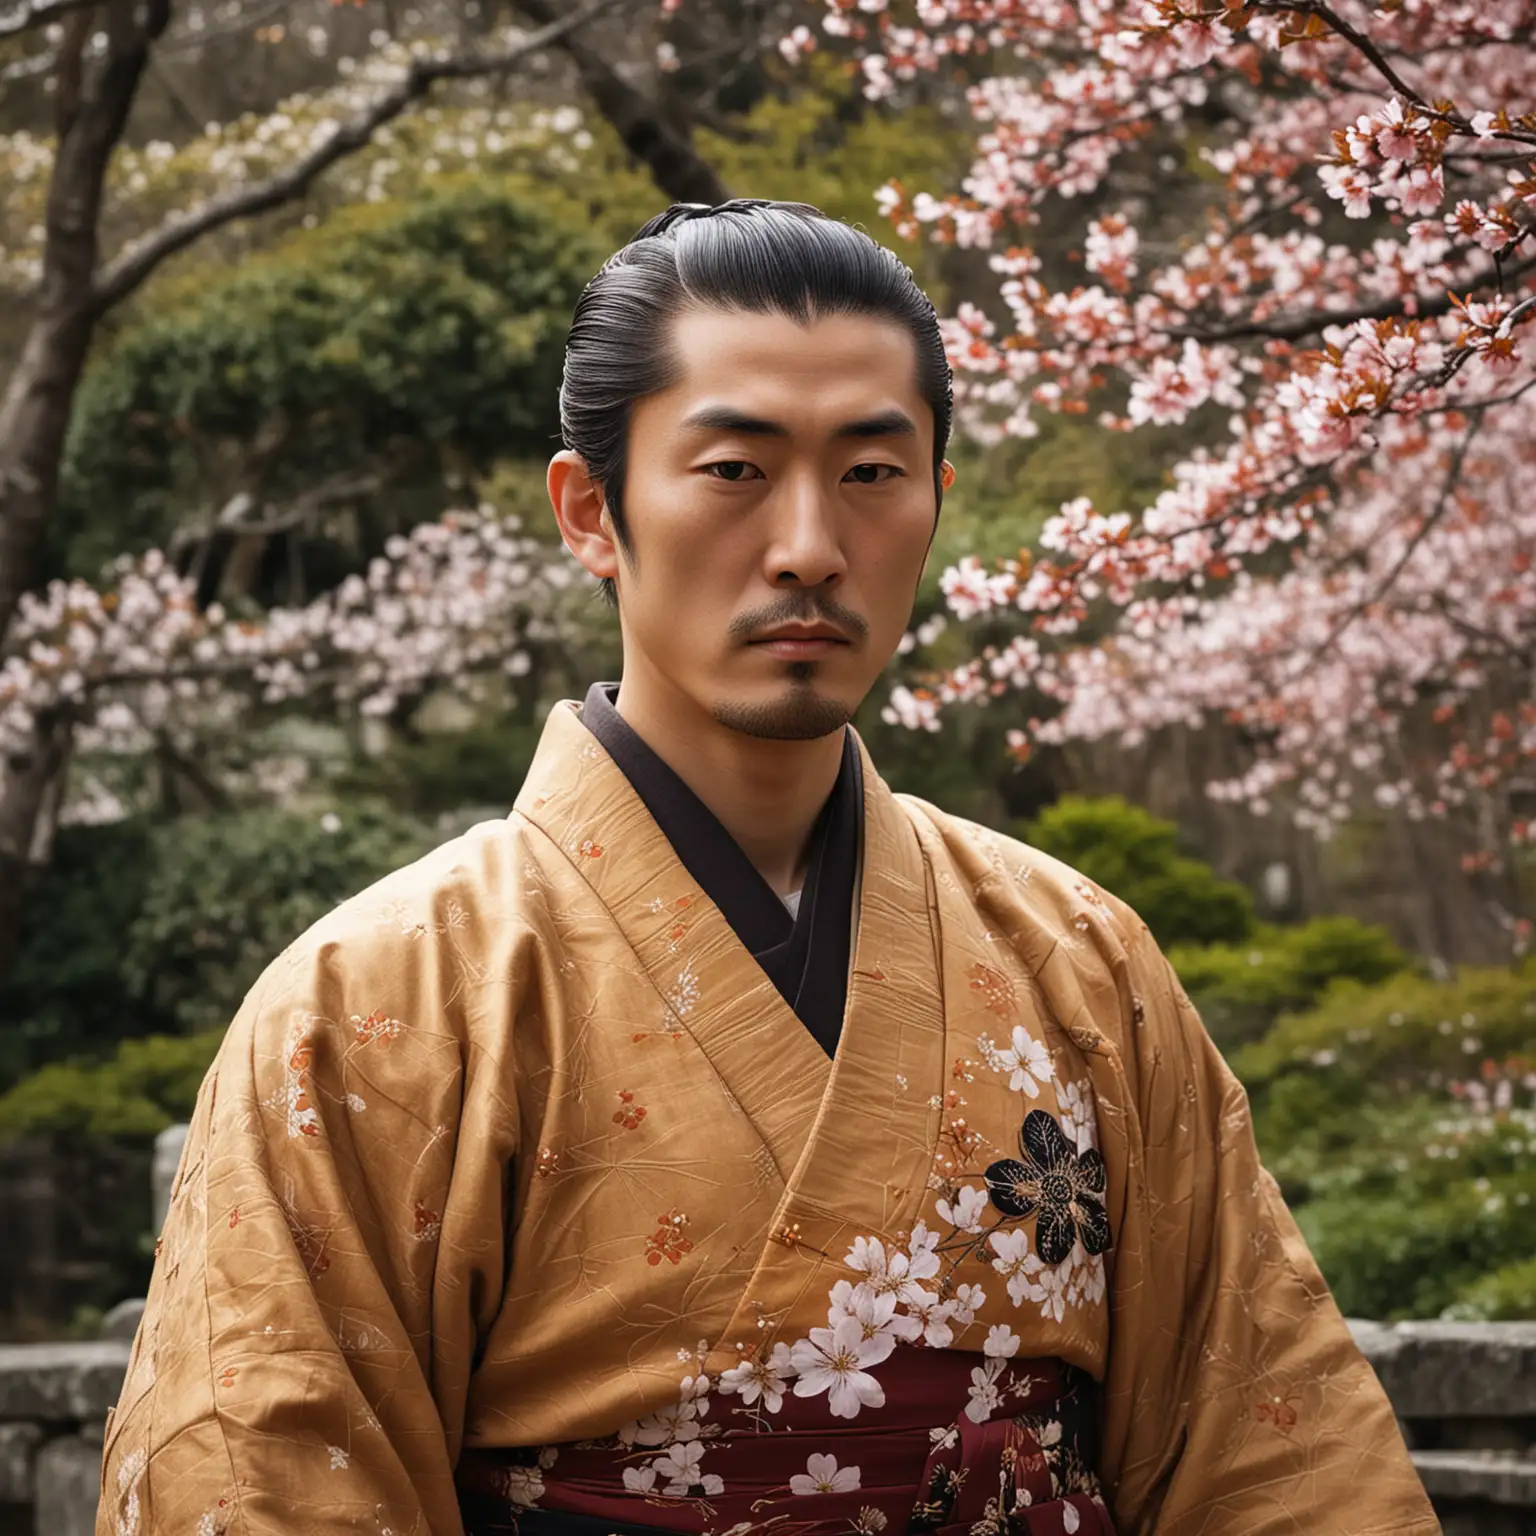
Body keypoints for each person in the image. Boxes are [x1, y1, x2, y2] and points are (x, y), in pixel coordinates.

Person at [97, 200, 1438, 1536]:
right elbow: (262, 1479)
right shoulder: (375, 1003)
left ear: (933, 500)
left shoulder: (1080, 960)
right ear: (591, 510)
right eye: (735, 470)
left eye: (870, 473)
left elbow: (1277, 1456)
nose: (809, 545)